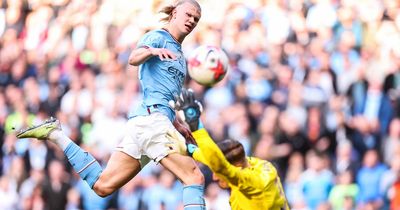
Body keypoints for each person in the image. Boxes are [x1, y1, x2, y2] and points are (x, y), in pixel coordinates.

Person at [16, 1, 206, 209]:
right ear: (175, 12)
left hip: (148, 122)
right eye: (188, 15)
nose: (191, 21)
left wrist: (179, 125)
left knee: (103, 185)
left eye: (196, 19)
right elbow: (134, 58)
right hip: (153, 123)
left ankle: (56, 135)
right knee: (194, 178)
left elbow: (165, 95)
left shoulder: (180, 56)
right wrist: (152, 51)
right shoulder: (158, 37)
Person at [170, 89, 290, 210]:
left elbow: (221, 165)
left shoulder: (253, 183)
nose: (214, 178)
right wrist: (194, 151)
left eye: (218, 173)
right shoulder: (257, 165)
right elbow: (217, 160)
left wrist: (196, 126)